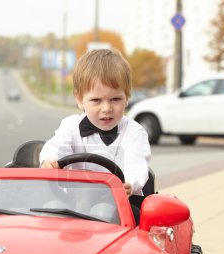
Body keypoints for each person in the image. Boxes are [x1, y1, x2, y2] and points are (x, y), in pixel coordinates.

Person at [39, 48, 151, 220]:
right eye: (96, 100)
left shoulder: (134, 132)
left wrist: (129, 182)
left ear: (127, 97)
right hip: (74, 202)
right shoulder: (71, 126)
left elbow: (137, 163)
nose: (106, 108)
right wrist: (50, 159)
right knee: (49, 209)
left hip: (122, 204)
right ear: (79, 99)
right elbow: (56, 145)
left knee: (103, 213)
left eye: (115, 99)